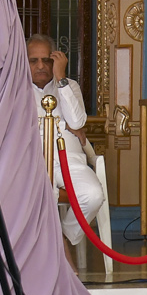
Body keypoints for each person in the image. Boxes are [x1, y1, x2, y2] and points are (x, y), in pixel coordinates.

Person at [27, 33, 102, 249]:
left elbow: (77, 121)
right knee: (41, 194)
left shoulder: (70, 86)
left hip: (69, 160)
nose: (41, 65)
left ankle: (62, 242)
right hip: (34, 163)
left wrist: (61, 80)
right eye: (34, 60)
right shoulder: (17, 91)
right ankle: (45, 248)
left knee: (93, 195)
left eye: (47, 60)